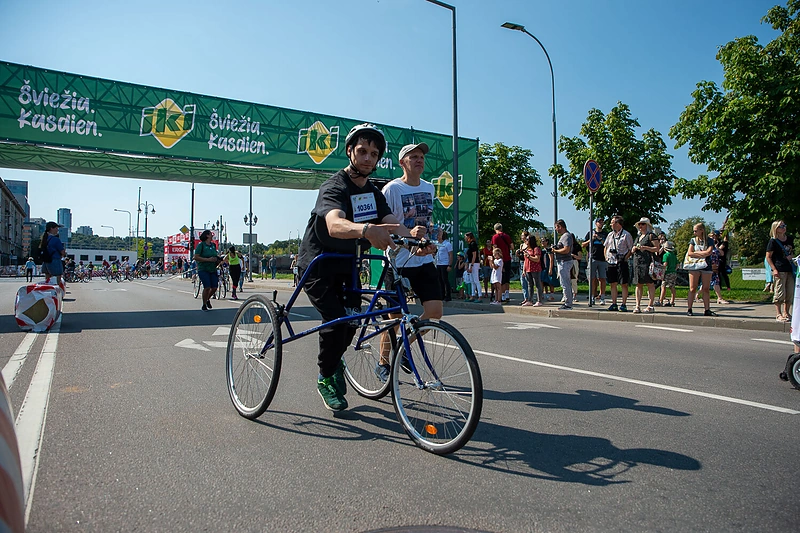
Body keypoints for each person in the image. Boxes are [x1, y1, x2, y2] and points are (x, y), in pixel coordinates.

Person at [296, 123, 414, 412]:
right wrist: (365, 231)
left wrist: (416, 238)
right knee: (336, 320)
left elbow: (391, 221)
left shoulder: (373, 192)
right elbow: (334, 224)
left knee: (352, 322)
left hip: (349, 266)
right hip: (318, 265)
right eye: (362, 151)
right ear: (350, 152)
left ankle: (334, 359)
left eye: (374, 154)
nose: (367, 159)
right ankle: (326, 375)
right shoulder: (334, 186)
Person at [375, 142, 442, 381]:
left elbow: (427, 223)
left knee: (435, 311)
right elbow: (383, 226)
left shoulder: (429, 187)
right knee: (394, 322)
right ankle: (383, 363)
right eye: (413, 157)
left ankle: (403, 349)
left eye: (422, 156)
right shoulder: (391, 190)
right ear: (403, 162)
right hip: (397, 262)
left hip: (421, 261)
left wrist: (428, 245)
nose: (419, 160)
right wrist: (407, 239)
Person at [766, 220, 795, 322]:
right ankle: (778, 314)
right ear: (776, 229)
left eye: (784, 225)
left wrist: (792, 257)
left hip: (790, 269)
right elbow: (768, 257)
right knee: (779, 292)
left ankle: (786, 312)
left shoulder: (789, 239)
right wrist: (774, 269)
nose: (784, 228)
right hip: (779, 269)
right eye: (781, 226)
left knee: (789, 292)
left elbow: (792, 252)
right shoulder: (773, 241)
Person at [604, 215, 633, 312]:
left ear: (617, 223)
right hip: (611, 261)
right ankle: (614, 303)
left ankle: (624, 304)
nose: (611, 224)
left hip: (621, 261)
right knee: (613, 283)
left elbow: (631, 249)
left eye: (612, 222)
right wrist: (606, 257)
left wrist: (625, 258)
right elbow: (606, 246)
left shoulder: (626, 235)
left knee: (623, 283)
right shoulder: (610, 235)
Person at [686, 222, 715, 317]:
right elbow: (690, 253)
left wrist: (698, 253)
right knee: (692, 288)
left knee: (706, 288)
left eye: (696, 231)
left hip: (706, 265)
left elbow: (709, 252)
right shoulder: (693, 241)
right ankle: (689, 309)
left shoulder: (709, 241)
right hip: (694, 266)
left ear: (701, 230)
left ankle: (707, 309)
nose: (694, 233)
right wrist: (702, 253)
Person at [632, 217, 659, 313]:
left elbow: (657, 248)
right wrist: (634, 248)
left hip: (648, 262)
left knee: (650, 283)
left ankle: (650, 305)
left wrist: (646, 248)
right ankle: (637, 305)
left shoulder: (651, 235)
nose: (640, 226)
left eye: (642, 224)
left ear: (647, 226)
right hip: (638, 262)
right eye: (639, 224)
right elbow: (632, 249)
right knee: (638, 284)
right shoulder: (638, 237)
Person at [583, 218, 608, 305]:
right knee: (592, 279)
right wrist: (591, 239)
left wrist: (600, 239)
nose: (601, 223)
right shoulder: (590, 233)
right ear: (595, 223)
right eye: (599, 222)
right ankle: (592, 296)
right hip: (593, 257)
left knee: (602, 278)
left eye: (602, 222)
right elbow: (583, 245)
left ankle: (602, 296)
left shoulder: (605, 234)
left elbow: (607, 244)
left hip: (602, 258)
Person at [194, 229, 220, 311]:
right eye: (211, 234)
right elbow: (196, 257)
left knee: (215, 287)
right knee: (207, 287)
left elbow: (215, 255)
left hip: (212, 269)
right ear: (207, 236)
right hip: (203, 269)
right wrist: (208, 259)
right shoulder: (201, 245)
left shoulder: (213, 245)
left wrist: (218, 259)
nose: (212, 235)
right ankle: (204, 304)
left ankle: (207, 299)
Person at [552, 219, 574, 310]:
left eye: (556, 227)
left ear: (560, 226)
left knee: (565, 283)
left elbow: (566, 250)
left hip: (565, 262)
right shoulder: (565, 236)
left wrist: (555, 251)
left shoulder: (566, 236)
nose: (556, 230)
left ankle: (568, 303)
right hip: (562, 262)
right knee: (564, 283)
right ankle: (567, 301)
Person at [491, 223, 513, 303]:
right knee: (507, 278)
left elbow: (494, 248)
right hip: (507, 258)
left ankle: (502, 296)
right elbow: (512, 246)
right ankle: (507, 294)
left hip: (500, 259)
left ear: (495, 229)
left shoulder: (495, 237)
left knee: (501, 279)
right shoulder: (507, 236)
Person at [40, 221, 66, 286]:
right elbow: (62, 251)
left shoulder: (44, 238)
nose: (57, 230)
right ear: (52, 228)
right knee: (57, 280)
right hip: (55, 260)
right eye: (56, 228)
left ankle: (48, 293)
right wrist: (64, 255)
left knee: (48, 280)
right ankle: (55, 294)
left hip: (46, 261)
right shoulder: (55, 239)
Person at [521, 234, 545, 306]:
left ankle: (539, 300)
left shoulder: (536, 249)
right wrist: (524, 270)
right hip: (528, 269)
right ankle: (530, 300)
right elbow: (525, 261)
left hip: (536, 269)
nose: (526, 241)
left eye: (527, 239)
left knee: (537, 284)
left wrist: (529, 256)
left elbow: (537, 259)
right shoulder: (527, 250)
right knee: (530, 285)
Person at [658, 241, 678, 307]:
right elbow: (677, 264)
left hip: (667, 273)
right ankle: (672, 301)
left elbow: (665, 264)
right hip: (673, 272)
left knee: (663, 287)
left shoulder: (666, 255)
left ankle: (660, 301)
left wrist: (661, 270)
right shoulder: (674, 255)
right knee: (672, 287)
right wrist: (674, 269)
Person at [435, 228, 453, 301]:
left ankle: (448, 295)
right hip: (438, 263)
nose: (438, 236)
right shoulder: (438, 244)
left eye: (439, 235)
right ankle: (442, 295)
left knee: (445, 280)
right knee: (440, 280)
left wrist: (450, 265)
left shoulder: (447, 244)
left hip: (445, 264)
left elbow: (451, 255)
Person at [464, 232, 481, 302]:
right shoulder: (470, 245)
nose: (465, 238)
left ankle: (480, 296)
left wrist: (472, 265)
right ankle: (472, 295)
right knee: (472, 280)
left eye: (466, 237)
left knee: (476, 280)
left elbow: (474, 255)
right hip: (471, 263)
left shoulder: (473, 244)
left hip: (475, 263)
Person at [540, 236, 556, 301]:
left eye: (543, 241)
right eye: (541, 241)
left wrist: (550, 269)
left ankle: (551, 295)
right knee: (542, 281)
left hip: (548, 267)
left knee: (550, 281)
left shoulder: (549, 250)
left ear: (547, 242)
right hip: (543, 268)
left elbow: (551, 259)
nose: (542, 242)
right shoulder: (542, 251)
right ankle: (542, 294)